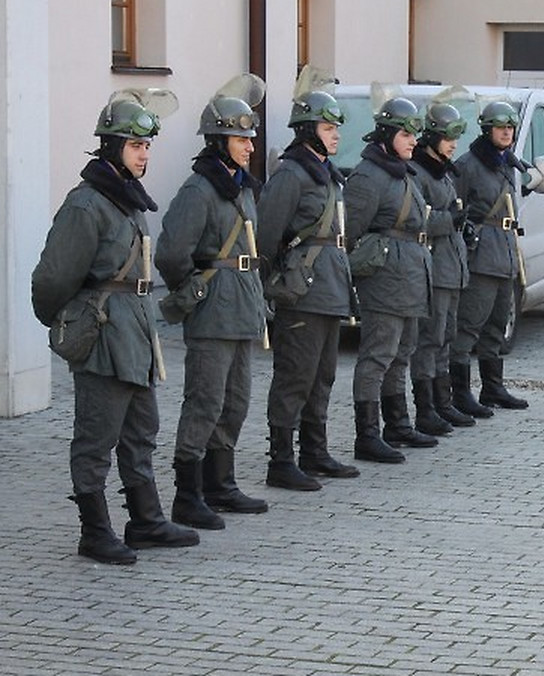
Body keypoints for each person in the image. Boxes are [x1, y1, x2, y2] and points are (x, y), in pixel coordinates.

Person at [32, 89, 200, 564]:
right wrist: (67, 324)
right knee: (95, 437)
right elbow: (52, 278)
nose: (144, 154)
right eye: (134, 145)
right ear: (110, 147)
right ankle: (95, 530)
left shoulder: (125, 200)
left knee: (141, 431)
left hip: (136, 335)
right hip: (104, 336)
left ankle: (145, 521)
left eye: (147, 146)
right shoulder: (87, 205)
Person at [155, 74, 270, 529]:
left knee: (235, 401)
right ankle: (188, 493)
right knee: (205, 400)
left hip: (242, 305)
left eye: (249, 138)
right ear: (218, 140)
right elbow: (170, 253)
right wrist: (196, 288)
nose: (248, 146)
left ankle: (220, 483)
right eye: (240, 138)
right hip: (214, 308)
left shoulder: (241, 187)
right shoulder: (199, 190)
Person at [256, 73, 360, 490]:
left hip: (330, 287)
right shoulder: (291, 175)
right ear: (307, 131)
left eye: (336, 128)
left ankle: (314, 450)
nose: (335, 136)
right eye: (327, 128)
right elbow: (266, 235)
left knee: (323, 375)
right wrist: (270, 287)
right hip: (302, 290)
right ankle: (280, 459)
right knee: (294, 376)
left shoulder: (326, 174)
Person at [344, 96, 437, 463]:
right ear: (386, 134)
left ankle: (396, 422)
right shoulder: (369, 176)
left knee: (403, 353)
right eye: (405, 132)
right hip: (385, 278)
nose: (414, 139)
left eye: (415, 132)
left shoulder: (402, 171)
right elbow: (350, 231)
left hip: (410, 275)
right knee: (378, 355)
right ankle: (366, 434)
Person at [450, 100, 528, 415]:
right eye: (501, 127)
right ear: (487, 129)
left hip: (506, 252)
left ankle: (492, 388)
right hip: (481, 255)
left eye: (510, 127)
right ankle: (460, 393)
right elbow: (454, 207)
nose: (507, 132)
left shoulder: (508, 163)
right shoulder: (468, 165)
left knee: (498, 324)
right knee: (469, 325)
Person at [409, 102, 475, 434]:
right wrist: (451, 219)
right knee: (430, 339)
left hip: (452, 265)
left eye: (455, 139)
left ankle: (443, 401)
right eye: (448, 138)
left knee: (446, 336)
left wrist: (462, 225)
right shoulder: (418, 173)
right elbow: (418, 220)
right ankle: (426, 408)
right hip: (434, 268)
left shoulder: (443, 171)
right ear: (432, 136)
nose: (453, 145)